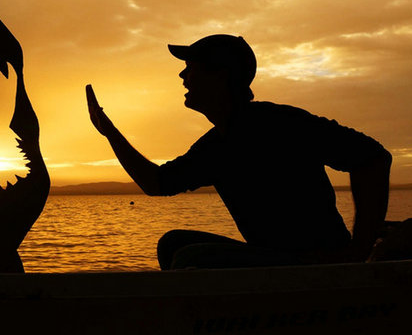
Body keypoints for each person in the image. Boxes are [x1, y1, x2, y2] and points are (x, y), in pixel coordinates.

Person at [87, 34, 392, 270]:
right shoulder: (218, 142)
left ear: (219, 75)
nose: (183, 76)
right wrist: (110, 132)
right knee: (174, 244)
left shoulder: (282, 122)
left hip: (312, 263)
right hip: (271, 260)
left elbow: (374, 157)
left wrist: (358, 249)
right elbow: (158, 183)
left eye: (190, 68)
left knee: (192, 256)